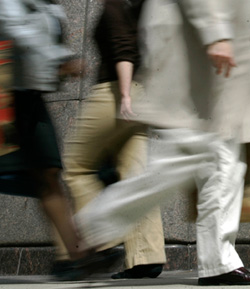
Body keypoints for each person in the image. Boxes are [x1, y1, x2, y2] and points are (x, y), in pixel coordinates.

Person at [73, 0, 250, 285]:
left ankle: (219, 263)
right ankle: (93, 225)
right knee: (184, 158)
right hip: (198, 57)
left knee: (224, 166)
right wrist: (217, 34)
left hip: (215, 62)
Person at [0, 0, 121, 281]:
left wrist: (60, 58)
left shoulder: (48, 5)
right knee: (45, 176)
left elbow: (43, 36)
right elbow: (15, 28)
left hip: (28, 95)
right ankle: (80, 254)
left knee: (49, 173)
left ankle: (80, 255)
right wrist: (59, 59)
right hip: (7, 96)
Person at [54, 0, 166, 279]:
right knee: (135, 175)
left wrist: (125, 95)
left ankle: (100, 243)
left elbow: (123, 48)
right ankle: (146, 256)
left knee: (76, 167)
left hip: (115, 92)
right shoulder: (146, 7)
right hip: (144, 94)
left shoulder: (116, 4)